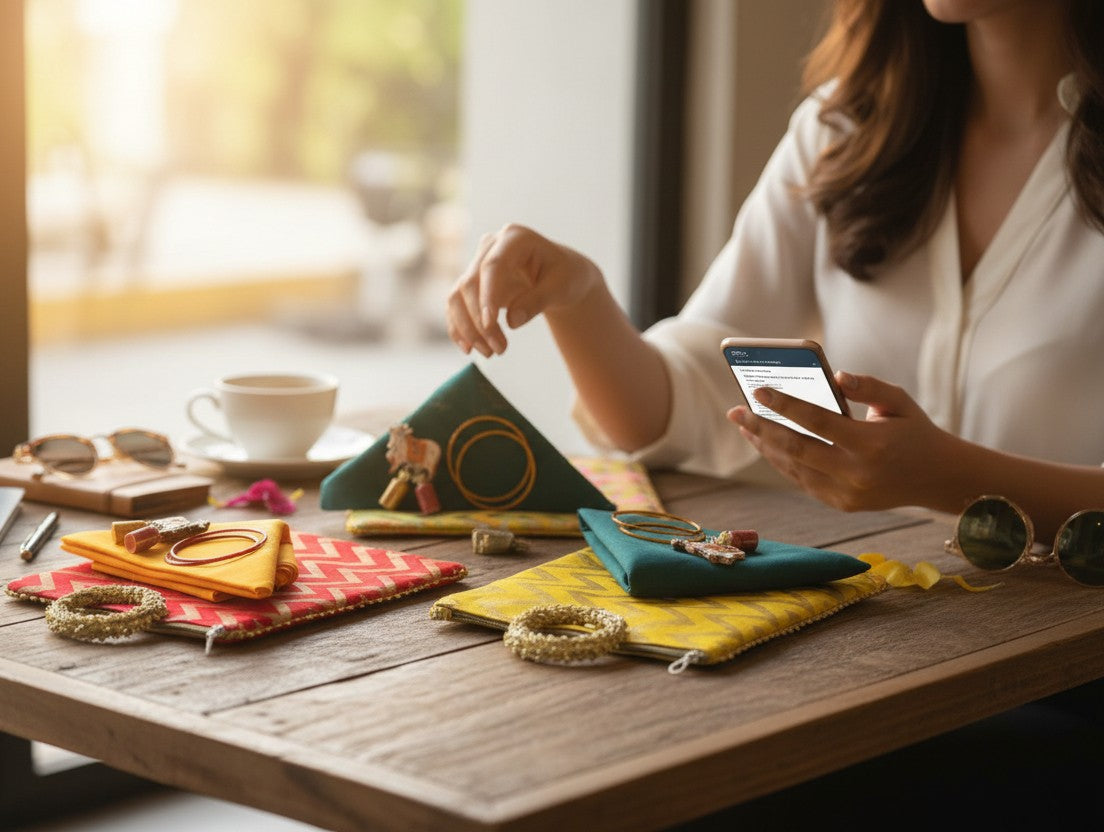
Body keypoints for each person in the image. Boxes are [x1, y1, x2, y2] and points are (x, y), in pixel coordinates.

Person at [446, 0, 1104, 544]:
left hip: (1070, 670)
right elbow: (674, 406)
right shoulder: (846, 128)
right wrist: (577, 295)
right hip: (900, 636)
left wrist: (945, 478)